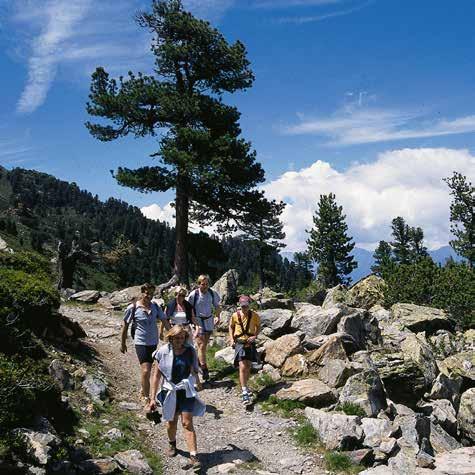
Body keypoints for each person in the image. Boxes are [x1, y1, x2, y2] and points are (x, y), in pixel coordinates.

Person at [149, 325, 205, 472]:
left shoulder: (190, 351)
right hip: (169, 391)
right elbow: (156, 376)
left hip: (185, 390)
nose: (180, 340)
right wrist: (152, 398)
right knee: (171, 422)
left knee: (187, 423)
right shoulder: (162, 352)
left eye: (182, 337)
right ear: (171, 337)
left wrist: (197, 382)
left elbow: (193, 368)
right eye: (177, 338)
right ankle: (172, 443)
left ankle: (194, 456)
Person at [120, 283, 170, 408]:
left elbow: (164, 320)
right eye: (147, 293)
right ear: (142, 292)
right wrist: (123, 343)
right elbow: (125, 326)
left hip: (153, 342)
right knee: (146, 370)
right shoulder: (133, 308)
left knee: (150, 369)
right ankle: (147, 398)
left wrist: (173, 334)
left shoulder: (155, 307)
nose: (149, 296)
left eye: (151, 294)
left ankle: (144, 390)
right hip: (140, 342)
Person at [186, 275, 221, 381]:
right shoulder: (194, 294)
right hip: (198, 321)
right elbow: (188, 307)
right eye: (202, 284)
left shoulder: (212, 293)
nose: (205, 286)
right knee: (201, 345)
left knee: (203, 346)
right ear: (198, 284)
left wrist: (217, 316)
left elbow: (217, 306)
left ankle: (197, 361)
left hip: (209, 320)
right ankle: (204, 368)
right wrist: (192, 320)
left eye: (206, 284)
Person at [229, 295, 260, 406]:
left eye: (246, 306)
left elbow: (258, 326)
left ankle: (245, 385)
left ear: (249, 305)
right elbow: (231, 327)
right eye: (242, 307)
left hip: (250, 343)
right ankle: (244, 391)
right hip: (240, 342)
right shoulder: (235, 316)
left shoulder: (255, 315)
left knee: (248, 365)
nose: (244, 309)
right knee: (242, 366)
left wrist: (255, 336)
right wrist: (231, 339)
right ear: (240, 305)